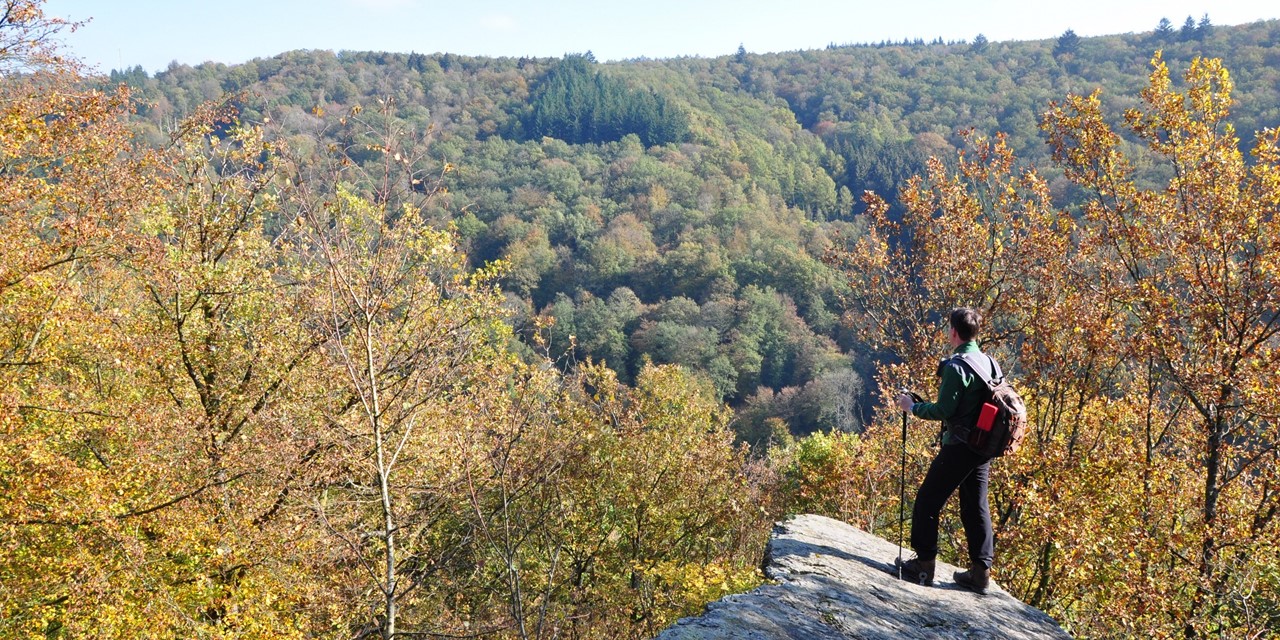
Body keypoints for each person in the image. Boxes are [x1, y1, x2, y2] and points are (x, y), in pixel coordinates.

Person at [894, 307, 999, 594]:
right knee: (976, 506)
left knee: (928, 500)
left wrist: (913, 407)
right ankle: (980, 573)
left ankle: (924, 565)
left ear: (953, 332)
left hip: (960, 446)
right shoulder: (990, 363)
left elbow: (944, 410)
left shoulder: (956, 367)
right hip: (983, 446)